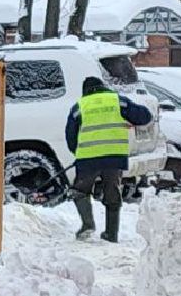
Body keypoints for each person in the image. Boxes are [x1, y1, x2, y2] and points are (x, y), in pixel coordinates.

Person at [65, 76, 152, 242]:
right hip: (114, 157)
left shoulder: (79, 107)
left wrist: (77, 152)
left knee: (79, 190)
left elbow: (71, 136)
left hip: (88, 158)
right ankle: (111, 234)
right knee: (112, 192)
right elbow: (144, 116)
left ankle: (87, 225)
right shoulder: (118, 102)